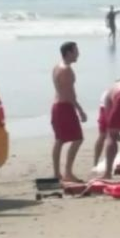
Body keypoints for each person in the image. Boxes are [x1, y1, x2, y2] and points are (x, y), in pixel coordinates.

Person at [51, 42, 87, 183]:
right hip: (64, 107)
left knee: (60, 140)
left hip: (57, 105)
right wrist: (80, 110)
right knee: (77, 139)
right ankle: (68, 173)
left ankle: (57, 173)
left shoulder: (57, 67)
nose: (78, 54)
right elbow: (70, 94)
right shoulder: (66, 70)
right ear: (69, 53)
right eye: (76, 51)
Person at [94, 74, 120, 166]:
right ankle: (97, 162)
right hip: (106, 109)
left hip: (109, 109)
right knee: (105, 136)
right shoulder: (112, 92)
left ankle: (100, 162)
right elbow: (110, 110)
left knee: (104, 136)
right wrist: (117, 130)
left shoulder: (114, 90)